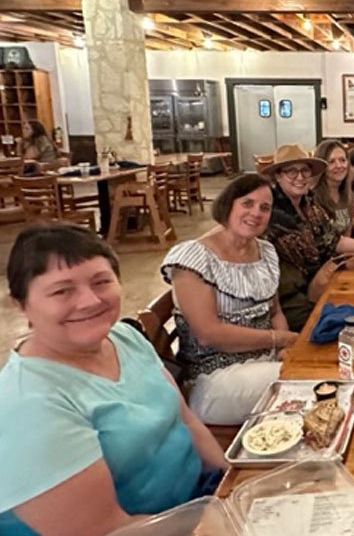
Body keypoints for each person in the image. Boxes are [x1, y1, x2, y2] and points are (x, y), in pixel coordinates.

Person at [0, 224, 226, 536]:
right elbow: (105, 530)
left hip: (196, 504)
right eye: (62, 291)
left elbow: (185, 420)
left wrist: (230, 482)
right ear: (22, 304)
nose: (90, 301)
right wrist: (224, 520)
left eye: (101, 281)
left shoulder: (123, 336)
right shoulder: (28, 405)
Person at [161, 174, 297, 425]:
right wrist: (280, 339)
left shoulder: (265, 251)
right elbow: (208, 333)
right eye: (247, 203)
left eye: (264, 207)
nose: (256, 212)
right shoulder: (193, 257)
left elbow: (275, 311)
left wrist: (285, 349)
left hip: (264, 362)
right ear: (228, 205)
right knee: (309, 382)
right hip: (212, 379)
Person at [266, 145, 354, 332]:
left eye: (304, 170)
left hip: (319, 282)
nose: (300, 177)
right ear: (278, 176)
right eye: (291, 172)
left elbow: (333, 239)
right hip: (290, 298)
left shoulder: (309, 203)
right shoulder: (270, 210)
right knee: (350, 325)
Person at [313, 140, 353, 236]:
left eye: (342, 160)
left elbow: (348, 231)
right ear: (321, 166)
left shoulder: (346, 192)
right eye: (331, 162)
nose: (339, 166)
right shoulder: (313, 198)